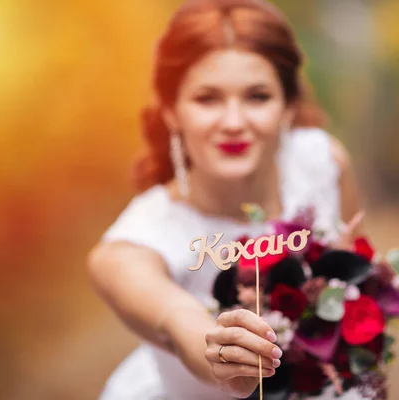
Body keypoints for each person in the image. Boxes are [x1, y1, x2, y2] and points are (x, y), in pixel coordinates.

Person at [88, 0, 369, 399]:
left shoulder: (325, 164)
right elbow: (175, 318)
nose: (234, 122)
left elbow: (360, 280)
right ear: (171, 112)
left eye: (257, 97)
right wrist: (220, 351)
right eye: (207, 99)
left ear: (289, 106)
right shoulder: (136, 240)